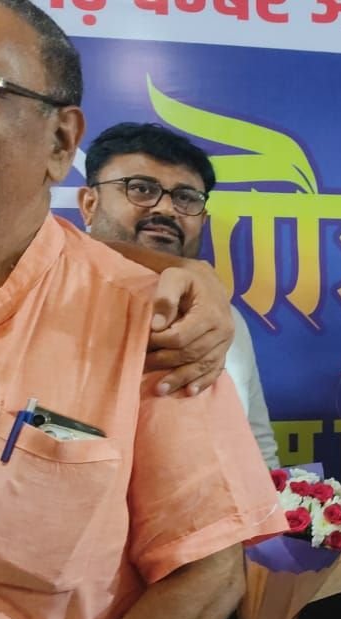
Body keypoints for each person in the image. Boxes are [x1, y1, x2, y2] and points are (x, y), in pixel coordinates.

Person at [0, 2, 288, 619]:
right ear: (90, 194)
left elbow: (208, 570)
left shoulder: (163, 319)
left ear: (61, 140)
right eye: (140, 190)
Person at [79, 121, 281, 469]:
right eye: (141, 189)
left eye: (186, 198)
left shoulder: (223, 318)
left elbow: (257, 447)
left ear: (204, 220)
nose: (166, 209)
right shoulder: (49, 302)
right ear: (89, 204)